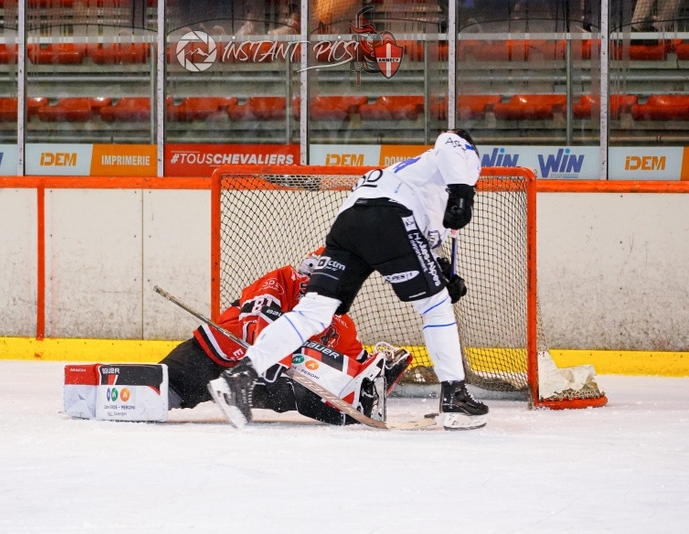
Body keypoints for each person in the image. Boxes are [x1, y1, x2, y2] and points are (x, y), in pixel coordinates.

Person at [208, 129, 488, 431]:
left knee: (313, 311)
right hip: (390, 217)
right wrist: (464, 194)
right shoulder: (459, 157)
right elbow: (449, 140)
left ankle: (241, 375)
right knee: (436, 306)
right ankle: (454, 397)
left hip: (350, 222)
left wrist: (443, 272)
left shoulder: (417, 178)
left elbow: (425, 243)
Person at [163, 248, 411, 426]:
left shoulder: (341, 323)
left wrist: (379, 377)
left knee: (320, 392)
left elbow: (355, 371)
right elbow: (255, 327)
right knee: (158, 391)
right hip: (212, 357)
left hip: (269, 384)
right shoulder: (283, 279)